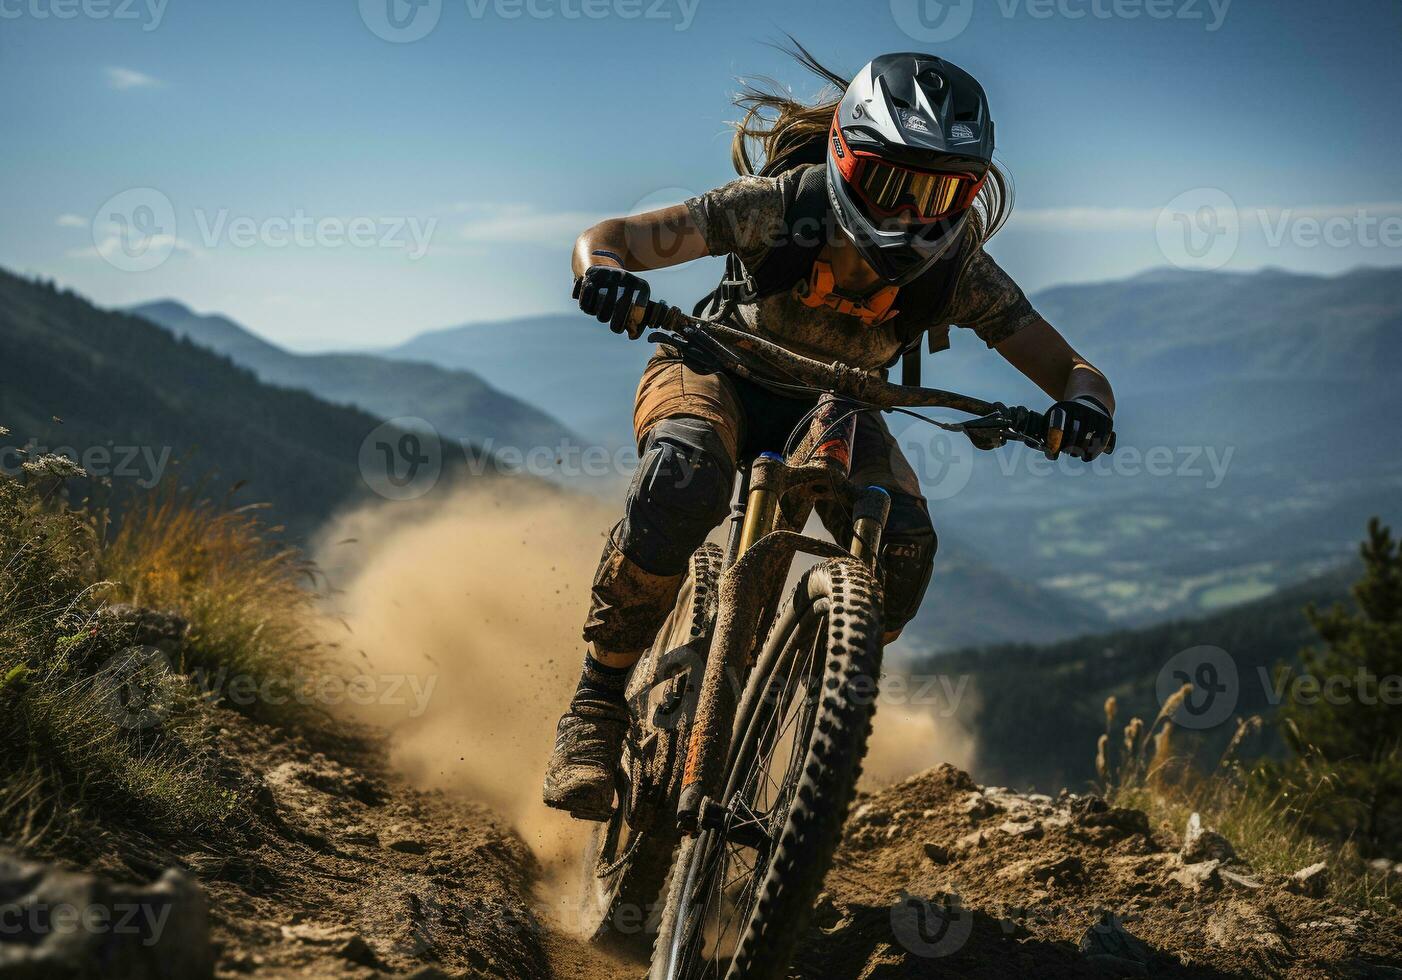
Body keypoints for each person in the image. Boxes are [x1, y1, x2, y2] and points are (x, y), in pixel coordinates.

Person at [543, 49, 1116, 820]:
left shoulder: (959, 271)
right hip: (714, 368)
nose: (914, 212)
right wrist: (602, 271)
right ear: (845, 159)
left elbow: (1075, 370)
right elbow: (610, 236)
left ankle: (794, 723)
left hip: (837, 406)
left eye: (941, 191)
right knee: (683, 477)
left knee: (905, 551)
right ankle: (596, 704)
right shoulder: (776, 207)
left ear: (972, 192)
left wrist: (1087, 409)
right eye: (894, 182)